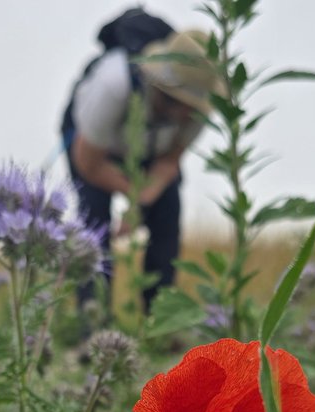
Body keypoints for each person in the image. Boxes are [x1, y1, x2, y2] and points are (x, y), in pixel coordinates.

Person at [61, 26, 221, 326]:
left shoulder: (197, 112)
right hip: (95, 148)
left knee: (167, 216)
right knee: (93, 225)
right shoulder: (113, 86)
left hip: (151, 154)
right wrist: (132, 196)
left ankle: (160, 323)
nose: (183, 115)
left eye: (191, 107)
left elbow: (171, 160)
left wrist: (141, 202)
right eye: (176, 102)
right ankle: (92, 326)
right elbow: (88, 163)